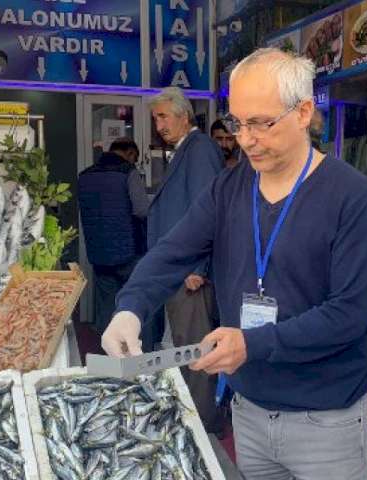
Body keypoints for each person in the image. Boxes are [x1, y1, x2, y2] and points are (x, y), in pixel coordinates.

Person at [102, 48, 367, 479]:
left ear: (303, 112)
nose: (245, 139)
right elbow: (172, 252)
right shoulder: (229, 188)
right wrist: (130, 309)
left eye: (261, 123)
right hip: (249, 414)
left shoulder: (352, 196)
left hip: (326, 420)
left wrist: (252, 344)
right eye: (237, 123)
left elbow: (347, 314)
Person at [145, 86, 224, 433]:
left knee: (196, 351)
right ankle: (191, 417)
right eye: (155, 119)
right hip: (177, 270)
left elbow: (207, 210)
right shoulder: (184, 150)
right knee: (184, 346)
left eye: (163, 117)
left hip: (190, 273)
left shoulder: (200, 148)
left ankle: (201, 425)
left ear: (184, 115)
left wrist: (197, 267)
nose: (159, 125)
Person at [77, 138, 149, 336]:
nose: (134, 162)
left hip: (98, 252)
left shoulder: (85, 175)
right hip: (129, 252)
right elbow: (142, 210)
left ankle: (105, 348)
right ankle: (134, 346)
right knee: (133, 303)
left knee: (107, 304)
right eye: (134, 158)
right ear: (129, 153)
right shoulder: (128, 172)